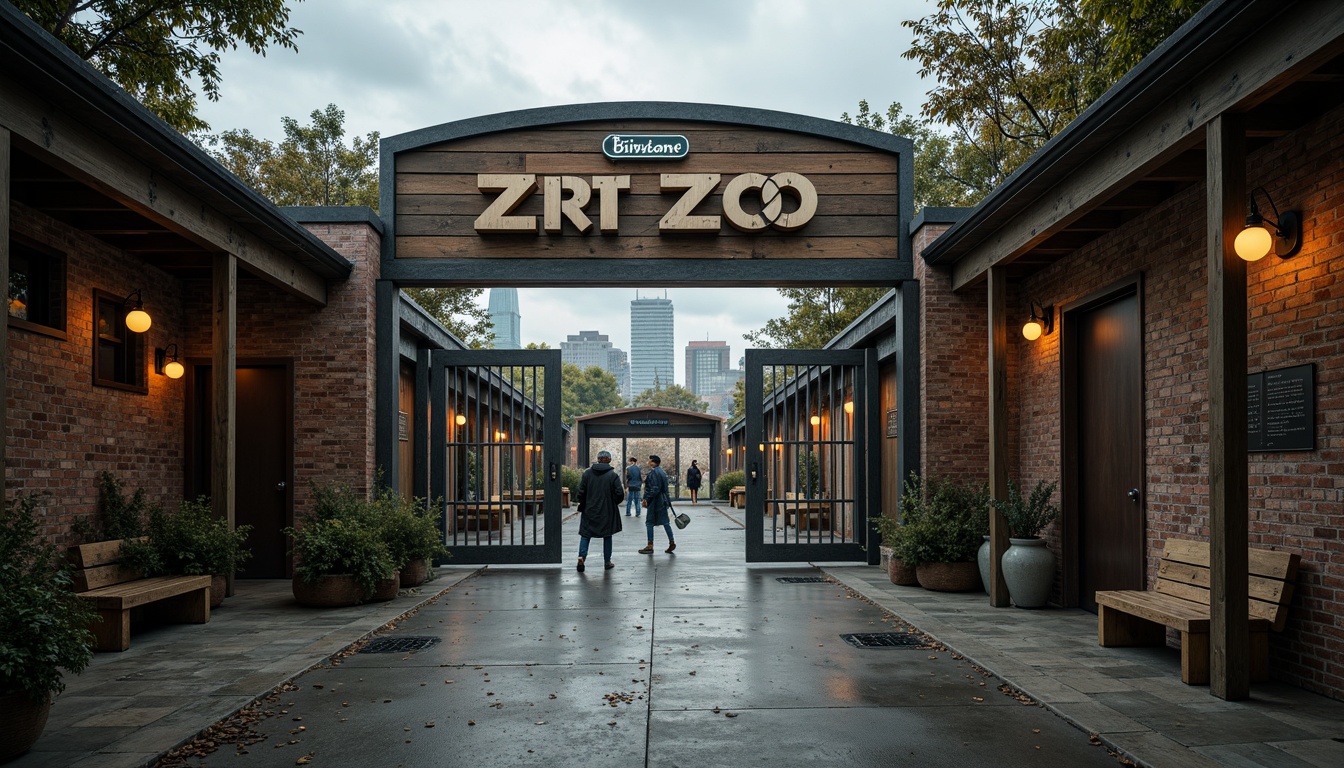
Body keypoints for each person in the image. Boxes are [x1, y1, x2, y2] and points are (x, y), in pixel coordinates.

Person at [575, 449, 624, 572]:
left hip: (589, 510)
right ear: (609, 460)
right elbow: (620, 493)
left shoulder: (587, 473)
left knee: (585, 534)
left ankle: (581, 557)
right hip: (607, 511)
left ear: (598, 459)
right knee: (607, 535)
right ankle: (607, 561)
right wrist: (613, 503)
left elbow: (580, 492)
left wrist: (583, 503)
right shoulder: (613, 475)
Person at [639, 454, 676, 554]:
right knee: (665, 522)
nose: (648, 462)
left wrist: (646, 499)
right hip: (662, 501)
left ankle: (650, 545)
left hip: (655, 501)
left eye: (650, 460)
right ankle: (671, 542)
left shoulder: (654, 472)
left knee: (649, 523)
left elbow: (654, 488)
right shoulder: (662, 472)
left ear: (653, 462)